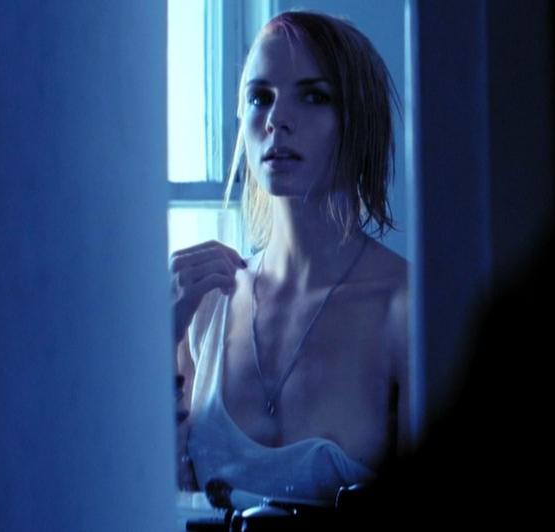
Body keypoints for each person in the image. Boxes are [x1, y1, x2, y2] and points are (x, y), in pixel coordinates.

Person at [168, 10, 409, 503]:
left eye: (313, 95)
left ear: (358, 120)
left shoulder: (405, 308)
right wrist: (160, 337)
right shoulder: (208, 305)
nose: (277, 119)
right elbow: (150, 493)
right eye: (260, 97)